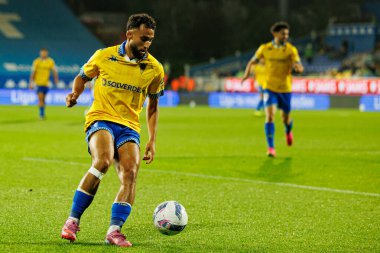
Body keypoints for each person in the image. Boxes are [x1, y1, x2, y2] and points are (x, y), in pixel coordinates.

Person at [61, 13, 164, 247]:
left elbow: (154, 106)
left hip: (129, 126)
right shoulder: (104, 56)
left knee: (130, 173)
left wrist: (152, 140)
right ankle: (72, 221)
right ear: (129, 34)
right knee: (103, 161)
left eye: (150, 39)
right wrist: (75, 94)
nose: (147, 44)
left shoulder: (155, 69)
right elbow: (82, 76)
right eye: (143, 38)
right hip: (101, 118)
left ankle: (114, 230)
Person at [242, 22, 304, 157]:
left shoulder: (291, 50)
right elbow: (252, 61)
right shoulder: (265, 48)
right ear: (275, 34)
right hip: (269, 87)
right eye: (283, 33)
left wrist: (299, 68)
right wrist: (247, 74)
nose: (286, 36)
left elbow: (298, 64)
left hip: (285, 88)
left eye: (287, 34)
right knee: (270, 116)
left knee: (285, 119)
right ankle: (271, 148)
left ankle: (288, 130)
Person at [29, 48, 59, 119]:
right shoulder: (36, 61)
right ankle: (41, 114)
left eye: (44, 53)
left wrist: (56, 79)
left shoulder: (50, 61)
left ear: (47, 53)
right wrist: (31, 82)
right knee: (41, 99)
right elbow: (33, 72)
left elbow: (54, 71)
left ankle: (42, 112)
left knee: (43, 100)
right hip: (38, 83)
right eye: (42, 53)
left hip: (46, 84)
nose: (43, 54)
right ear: (40, 53)